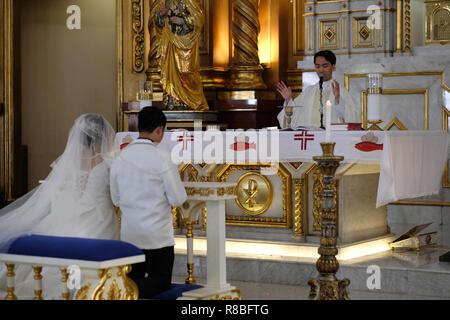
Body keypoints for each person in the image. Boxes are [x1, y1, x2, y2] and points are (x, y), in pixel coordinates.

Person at [0, 113, 120, 299]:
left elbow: (60, 192)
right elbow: (115, 195)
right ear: (103, 137)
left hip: (69, 215)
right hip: (98, 219)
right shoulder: (107, 164)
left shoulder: (70, 162)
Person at [110, 106, 187, 298]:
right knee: (160, 283)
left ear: (139, 127)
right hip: (157, 238)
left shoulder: (120, 158)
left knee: (132, 281)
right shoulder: (162, 159)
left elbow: (115, 198)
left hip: (130, 237)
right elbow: (178, 198)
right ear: (159, 130)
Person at [277, 50, 359, 129]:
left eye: (325, 66)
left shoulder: (341, 91)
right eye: (317, 66)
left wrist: (338, 99)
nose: (321, 70)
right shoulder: (309, 91)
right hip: (311, 138)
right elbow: (294, 116)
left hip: (332, 138)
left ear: (333, 66)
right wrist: (288, 100)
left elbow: (351, 118)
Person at [154, 0, 209, 110]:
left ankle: (190, 102)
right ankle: (172, 100)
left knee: (186, 72)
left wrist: (183, 21)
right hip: (169, 43)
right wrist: (160, 15)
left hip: (186, 43)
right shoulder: (167, 1)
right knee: (170, 72)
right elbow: (159, 23)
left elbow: (199, 19)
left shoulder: (190, 1)